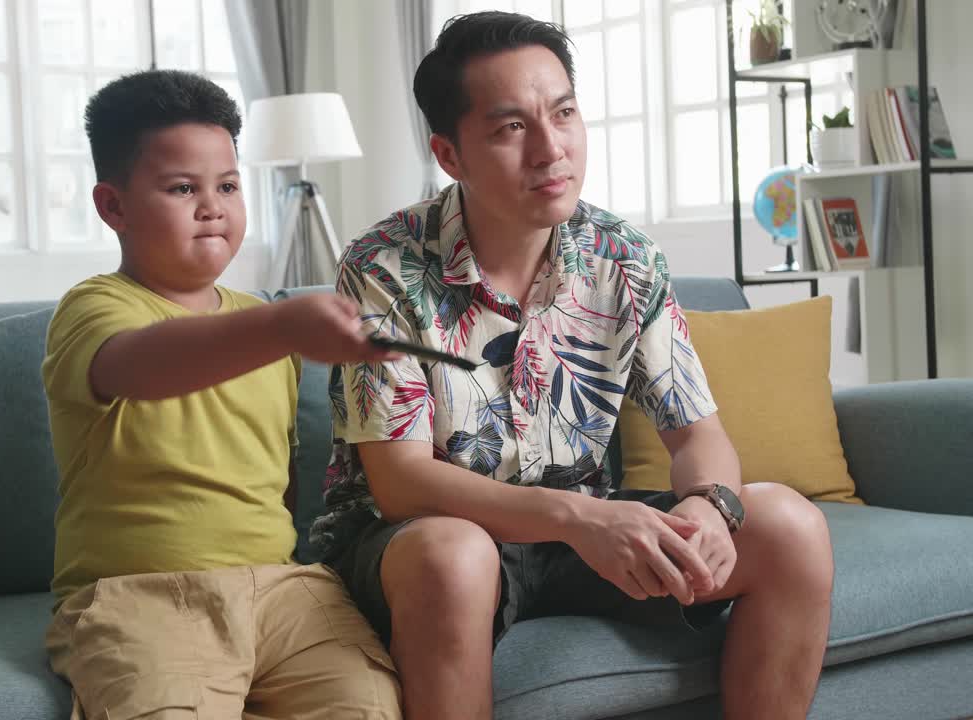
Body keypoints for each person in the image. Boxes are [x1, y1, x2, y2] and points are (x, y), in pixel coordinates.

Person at [312, 12, 834, 720]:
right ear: (450, 153)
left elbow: (696, 434)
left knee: (790, 528)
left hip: (582, 531)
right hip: (422, 538)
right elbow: (402, 483)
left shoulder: (624, 257)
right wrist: (579, 518)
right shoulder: (383, 266)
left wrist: (712, 507)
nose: (551, 149)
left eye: (564, 113)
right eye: (510, 128)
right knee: (456, 557)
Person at [41, 69, 401, 720]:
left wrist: (280, 328)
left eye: (228, 186)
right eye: (183, 188)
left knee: (368, 704)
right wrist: (283, 324)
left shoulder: (264, 328)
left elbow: (282, 473)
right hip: (142, 594)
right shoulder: (95, 308)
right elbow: (138, 367)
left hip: (284, 591)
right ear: (112, 205)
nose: (213, 206)